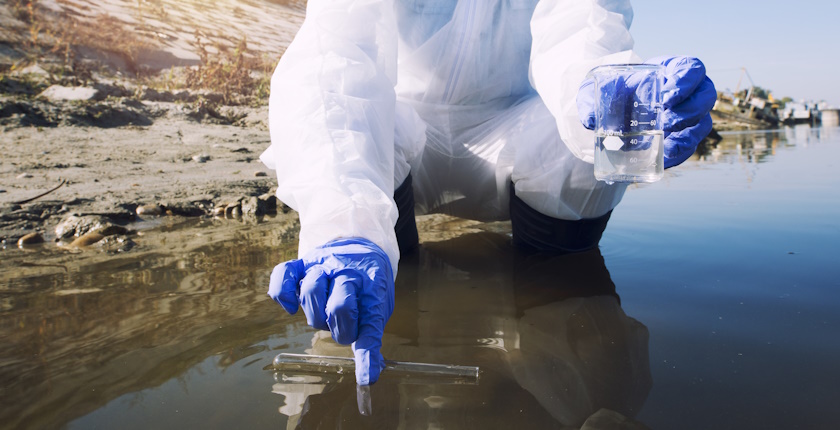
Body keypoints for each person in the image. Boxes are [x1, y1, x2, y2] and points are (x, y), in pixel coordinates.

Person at [261, 0, 715, 385]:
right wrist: (343, 224)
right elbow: (338, 55)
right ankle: (373, 262)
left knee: (587, 149)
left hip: (518, 125)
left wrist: (604, 91)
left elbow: (581, 25)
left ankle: (557, 315)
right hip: (403, 127)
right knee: (347, 135)